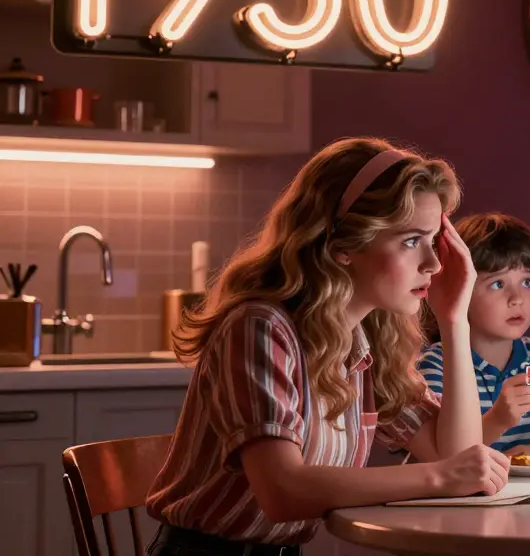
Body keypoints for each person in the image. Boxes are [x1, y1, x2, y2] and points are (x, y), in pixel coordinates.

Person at [145, 138, 510, 555]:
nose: (434, 263)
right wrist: (441, 477)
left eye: (433, 240)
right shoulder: (261, 328)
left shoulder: (363, 341)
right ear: (343, 246)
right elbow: (282, 490)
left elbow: (457, 457)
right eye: (411, 241)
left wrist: (454, 320)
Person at [419, 213, 530, 457]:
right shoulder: (435, 364)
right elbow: (445, 458)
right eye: (498, 284)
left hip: (523, 492)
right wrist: (498, 420)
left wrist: (518, 456)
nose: (517, 298)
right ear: (459, 291)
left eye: (527, 282)